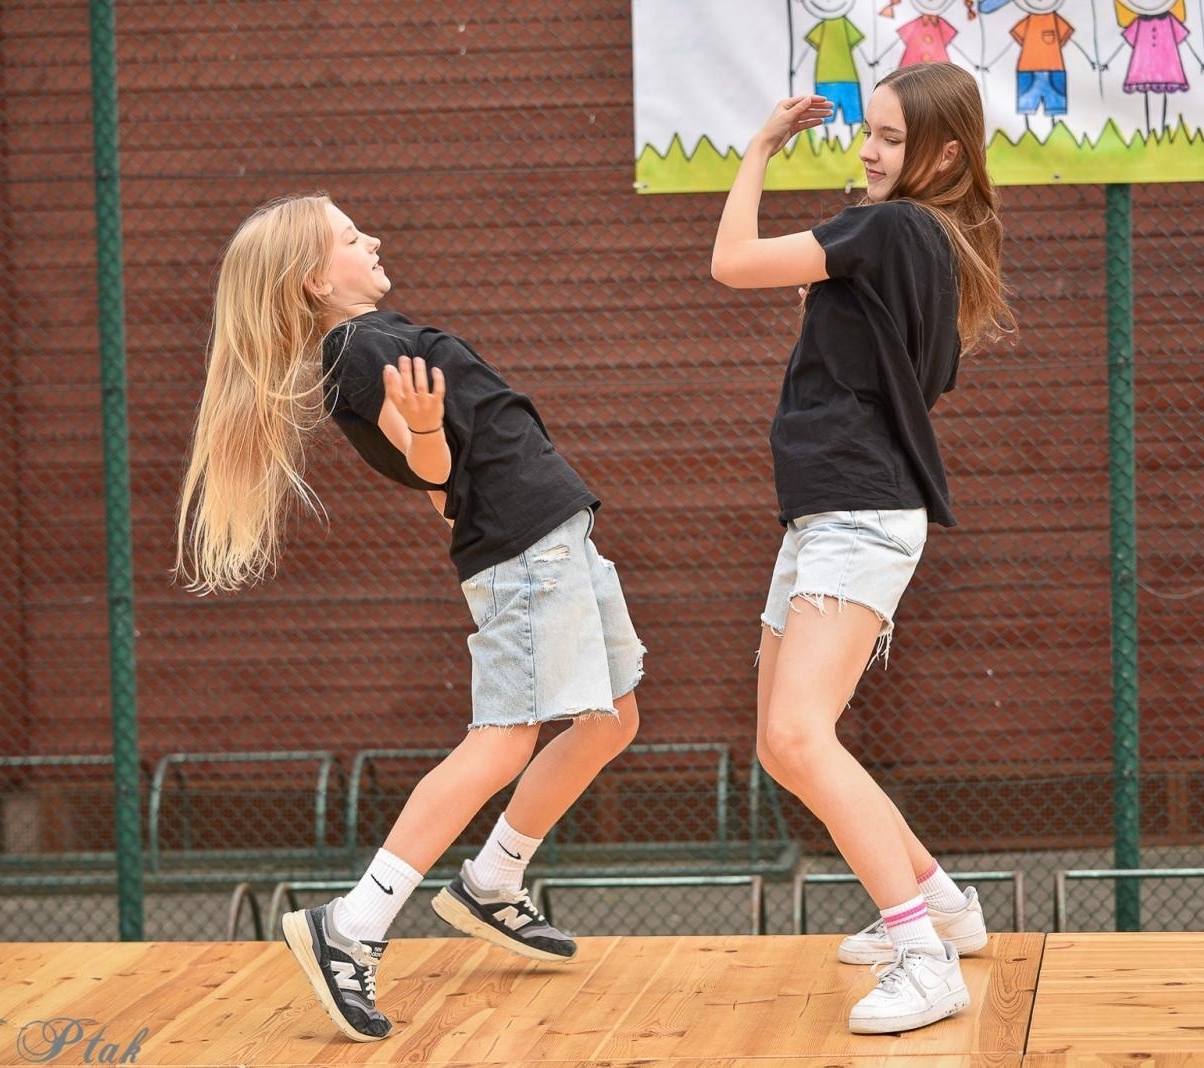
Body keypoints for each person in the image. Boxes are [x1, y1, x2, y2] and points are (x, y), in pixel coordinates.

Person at [175, 194, 643, 1042]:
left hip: (550, 538)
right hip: (528, 553)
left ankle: (492, 881)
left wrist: (441, 457)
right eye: (352, 238)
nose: (374, 240)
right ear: (315, 280)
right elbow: (429, 461)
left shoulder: (372, 339)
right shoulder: (356, 346)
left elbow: (438, 487)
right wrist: (429, 435)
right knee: (502, 740)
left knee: (611, 719)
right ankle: (351, 925)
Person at [709, 62, 1014, 1035]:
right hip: (831, 511)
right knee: (784, 743)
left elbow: (731, 262)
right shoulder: (932, 244)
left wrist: (760, 148)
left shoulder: (887, 230)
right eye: (868, 133)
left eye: (889, 138)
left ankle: (924, 961)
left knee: (800, 737)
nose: (868, 151)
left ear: (945, 155)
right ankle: (944, 909)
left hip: (858, 513)